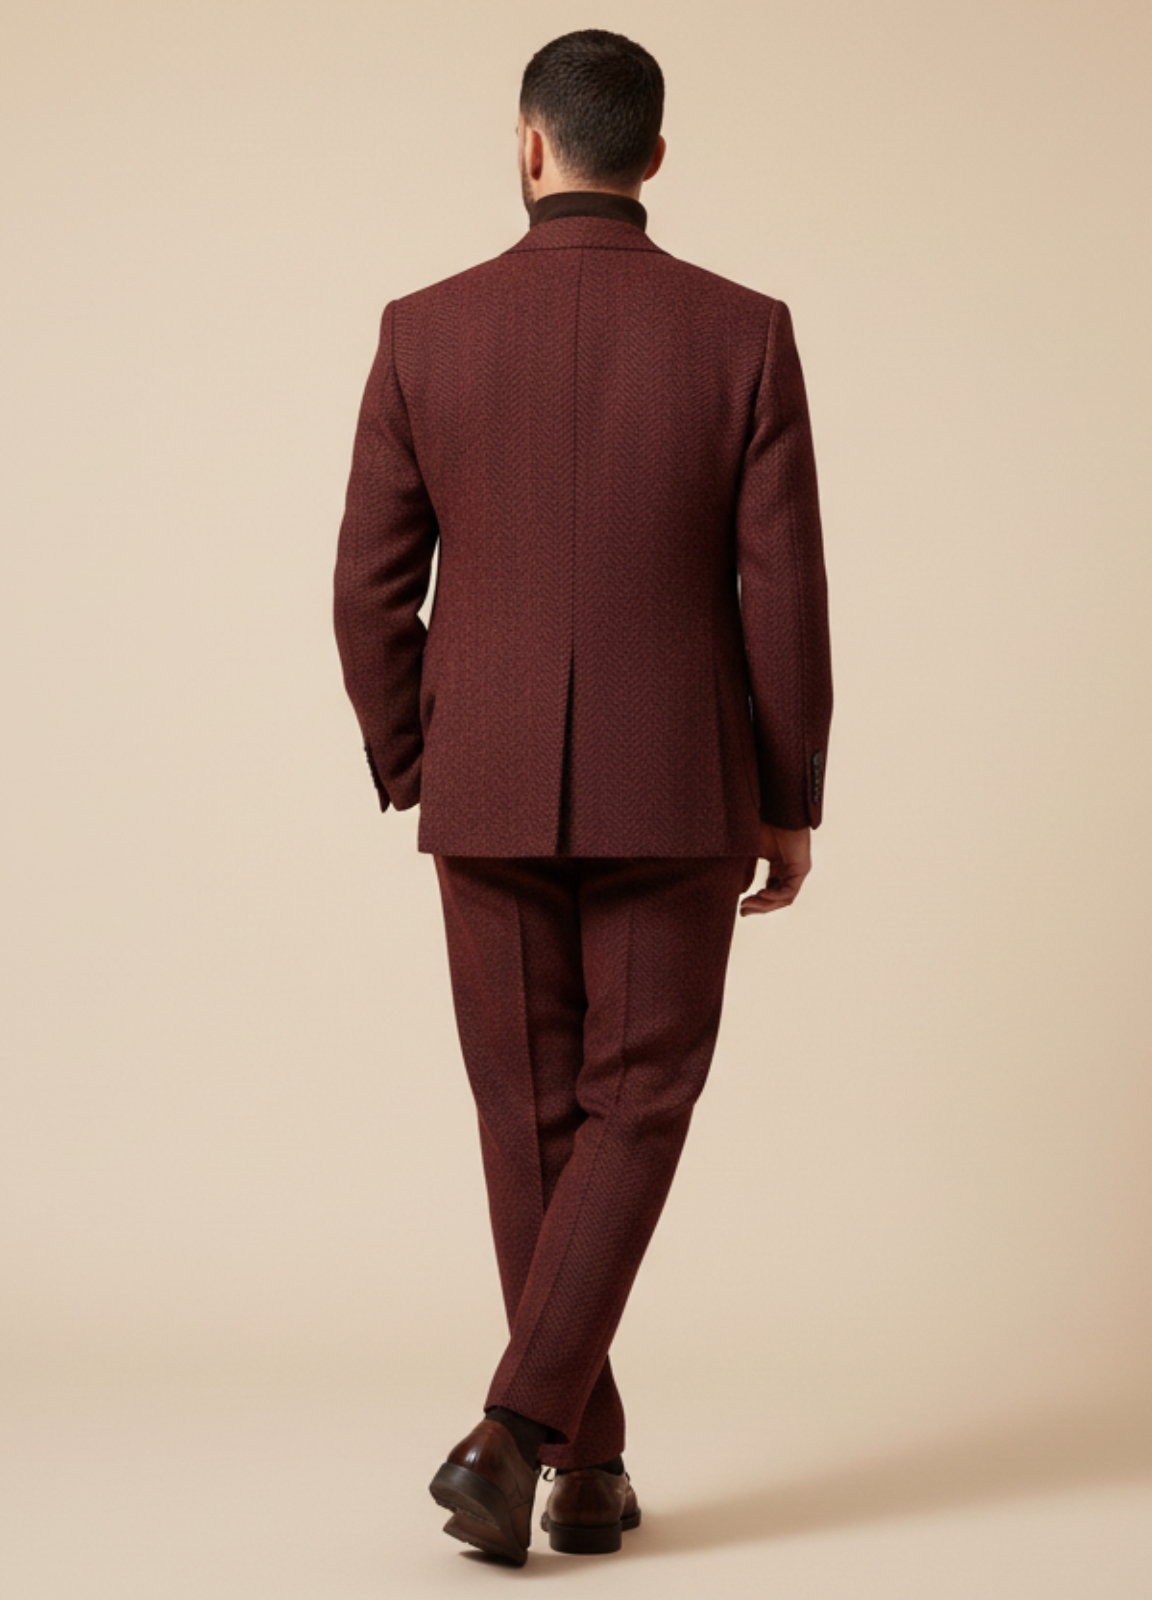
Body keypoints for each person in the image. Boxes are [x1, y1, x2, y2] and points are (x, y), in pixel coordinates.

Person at [332, 27, 833, 1565]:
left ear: (528, 146)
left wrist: (424, 754)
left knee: (528, 1120)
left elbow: (365, 586)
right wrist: (788, 786)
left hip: (480, 785)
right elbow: (784, 593)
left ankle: (568, 1461)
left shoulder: (424, 329)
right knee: (637, 1105)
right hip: (679, 780)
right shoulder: (741, 332)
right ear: (653, 159)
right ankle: (524, 1436)